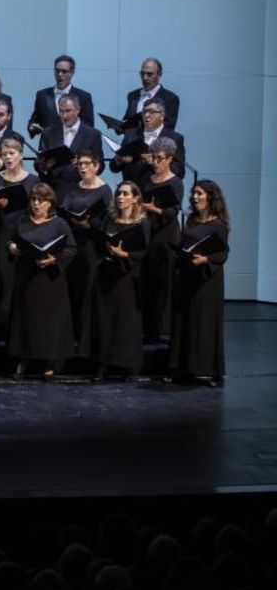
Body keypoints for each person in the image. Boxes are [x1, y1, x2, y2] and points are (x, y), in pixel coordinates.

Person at [79, 181, 150, 379]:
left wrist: (125, 255)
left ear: (135, 198)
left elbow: (143, 251)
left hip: (128, 276)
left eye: (126, 194)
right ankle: (103, 363)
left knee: (125, 321)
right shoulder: (110, 219)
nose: (120, 197)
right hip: (107, 273)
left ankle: (126, 365)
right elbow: (100, 241)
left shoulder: (142, 222)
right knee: (105, 320)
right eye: (119, 193)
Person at [7, 183, 77, 378]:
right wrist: (12, 247)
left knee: (49, 322)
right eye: (33, 200)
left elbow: (71, 248)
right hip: (27, 277)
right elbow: (11, 241)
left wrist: (54, 259)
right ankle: (23, 359)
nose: (36, 204)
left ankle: (49, 361)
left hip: (49, 280)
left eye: (41, 200)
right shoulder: (22, 221)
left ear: (50, 203)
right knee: (25, 320)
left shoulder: (59, 223)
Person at [168, 180, 230, 386]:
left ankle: (211, 371)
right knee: (186, 321)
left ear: (211, 197)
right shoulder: (192, 220)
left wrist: (205, 260)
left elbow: (222, 253)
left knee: (205, 324)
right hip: (188, 275)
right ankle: (183, 369)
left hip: (207, 280)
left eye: (200, 193)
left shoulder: (218, 224)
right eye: (194, 193)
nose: (195, 197)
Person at [0, 138, 38, 337]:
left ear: (20, 155)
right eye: (4, 155)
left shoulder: (33, 180)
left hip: (26, 233)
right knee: (2, 278)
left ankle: (22, 325)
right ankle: (2, 325)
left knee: (22, 279)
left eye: (11, 154)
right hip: (1, 232)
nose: (8, 158)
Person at [59, 150, 113, 343]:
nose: (83, 168)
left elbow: (109, 221)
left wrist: (90, 225)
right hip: (73, 244)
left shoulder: (105, 190)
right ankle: (70, 332)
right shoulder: (74, 189)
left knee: (87, 288)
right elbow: (63, 210)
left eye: (87, 164)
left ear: (97, 166)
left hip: (91, 245)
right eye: (80, 164)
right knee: (71, 287)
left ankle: (85, 336)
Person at [140, 137, 184, 343]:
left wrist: (152, 208)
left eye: (159, 159)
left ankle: (164, 328)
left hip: (166, 236)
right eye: (153, 158)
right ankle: (148, 327)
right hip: (149, 234)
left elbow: (172, 212)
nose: (155, 162)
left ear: (169, 159)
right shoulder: (148, 180)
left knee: (166, 282)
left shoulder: (175, 182)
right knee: (148, 282)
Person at [35, 94, 103, 201]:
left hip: (82, 193)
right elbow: (38, 163)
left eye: (68, 111)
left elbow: (101, 165)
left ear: (78, 110)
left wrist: (84, 164)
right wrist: (44, 167)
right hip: (53, 194)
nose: (64, 116)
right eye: (61, 111)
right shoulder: (48, 133)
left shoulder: (93, 134)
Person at [108, 98, 186, 186]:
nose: (147, 115)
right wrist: (118, 159)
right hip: (132, 191)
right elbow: (113, 167)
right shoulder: (131, 134)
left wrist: (156, 162)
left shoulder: (174, 138)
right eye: (144, 112)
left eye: (151, 112)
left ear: (162, 115)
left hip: (158, 189)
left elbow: (179, 171)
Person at [29, 54, 94, 136]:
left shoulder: (83, 97)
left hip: (72, 146)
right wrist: (32, 126)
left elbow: (89, 126)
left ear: (72, 73)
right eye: (57, 70)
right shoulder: (42, 95)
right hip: (47, 145)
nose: (60, 74)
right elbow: (35, 120)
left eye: (64, 71)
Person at [124, 57, 180, 129]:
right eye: (142, 73)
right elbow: (127, 119)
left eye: (149, 74)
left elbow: (168, 127)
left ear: (159, 75)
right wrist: (119, 126)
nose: (145, 78)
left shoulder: (170, 99)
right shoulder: (133, 95)